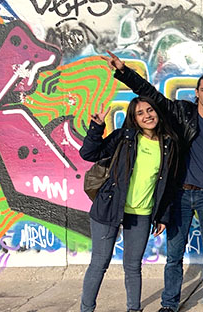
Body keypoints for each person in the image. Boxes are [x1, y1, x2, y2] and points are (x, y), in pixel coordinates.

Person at [105, 51, 203, 312]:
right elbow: (150, 93)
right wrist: (124, 71)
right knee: (174, 254)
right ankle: (169, 303)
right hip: (180, 194)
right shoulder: (181, 113)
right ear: (197, 93)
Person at [79, 97, 179, 312]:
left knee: (133, 267)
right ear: (134, 119)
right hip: (109, 207)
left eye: (150, 110)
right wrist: (96, 128)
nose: (147, 116)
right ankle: (86, 309)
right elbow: (89, 154)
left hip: (141, 214)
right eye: (140, 113)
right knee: (99, 263)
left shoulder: (168, 143)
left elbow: (168, 184)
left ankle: (134, 309)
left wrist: (162, 215)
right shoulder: (125, 138)